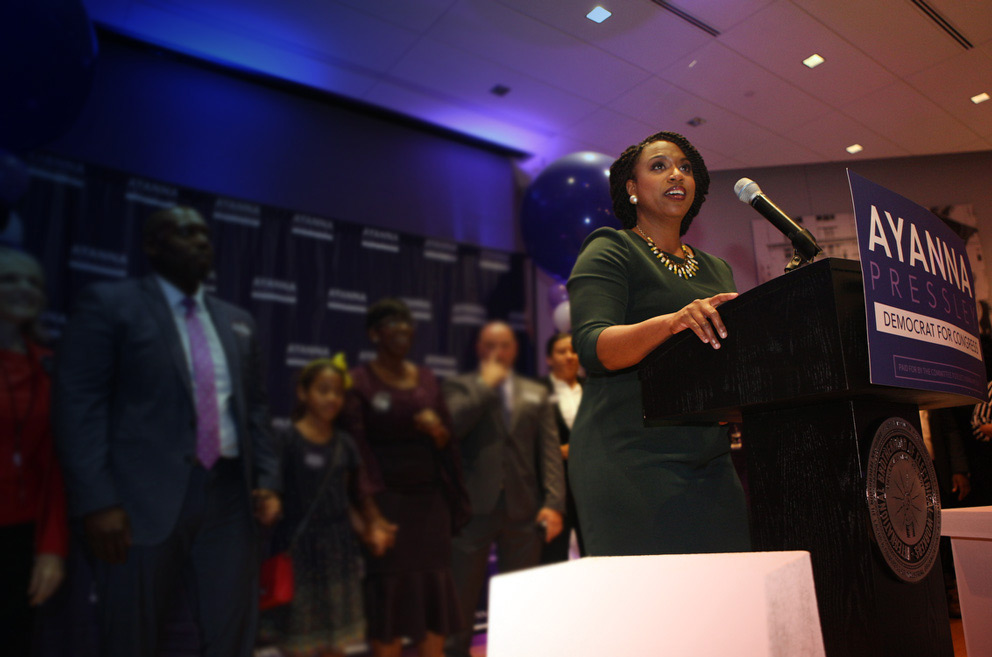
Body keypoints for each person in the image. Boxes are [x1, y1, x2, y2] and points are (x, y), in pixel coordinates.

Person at [52, 206, 282, 657]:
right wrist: (97, 500)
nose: (199, 241)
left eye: (204, 234)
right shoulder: (110, 304)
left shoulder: (238, 321)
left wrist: (269, 482)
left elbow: (255, 409)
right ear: (151, 246)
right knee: (132, 636)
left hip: (229, 497)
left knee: (233, 631)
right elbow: (79, 406)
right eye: (183, 233)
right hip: (139, 500)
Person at [566, 130, 750, 557]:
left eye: (685, 168)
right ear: (631, 189)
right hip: (628, 457)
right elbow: (596, 347)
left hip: (710, 458)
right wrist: (672, 322)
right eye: (659, 166)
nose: (677, 175)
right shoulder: (612, 248)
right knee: (649, 612)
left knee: (728, 598)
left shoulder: (717, 269)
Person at [343, 298, 469, 657]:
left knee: (435, 601)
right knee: (390, 606)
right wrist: (372, 517)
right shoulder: (358, 382)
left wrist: (438, 432)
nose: (402, 330)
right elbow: (357, 454)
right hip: (386, 508)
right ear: (374, 334)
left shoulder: (427, 378)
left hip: (430, 505)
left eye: (407, 324)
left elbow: (448, 441)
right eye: (391, 324)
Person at [442, 320, 565, 657]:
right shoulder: (459, 387)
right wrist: (484, 386)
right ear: (478, 349)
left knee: (521, 600)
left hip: (524, 510)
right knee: (461, 601)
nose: (497, 352)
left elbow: (550, 452)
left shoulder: (534, 392)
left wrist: (554, 503)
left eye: (505, 345)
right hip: (471, 511)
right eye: (489, 345)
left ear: (514, 350)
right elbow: (449, 429)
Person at [261, 355, 395, 657]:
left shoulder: (345, 444)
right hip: (298, 553)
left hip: (339, 553)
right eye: (323, 390)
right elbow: (271, 493)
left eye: (338, 392)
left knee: (336, 643)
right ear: (303, 393)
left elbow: (347, 501)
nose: (332, 398)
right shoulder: (286, 439)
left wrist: (369, 531)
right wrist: (268, 504)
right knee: (299, 644)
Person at [0, 248, 67, 655]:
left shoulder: (51, 367)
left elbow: (57, 470)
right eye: (9, 279)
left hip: (18, 542)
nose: (24, 288)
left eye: (34, 282)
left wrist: (52, 548)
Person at [539, 332, 584, 563]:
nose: (569, 356)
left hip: (590, 485)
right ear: (548, 358)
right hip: (552, 488)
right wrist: (556, 452)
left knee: (596, 554)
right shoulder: (536, 392)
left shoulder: (595, 389)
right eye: (561, 351)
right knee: (551, 556)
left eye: (574, 350)